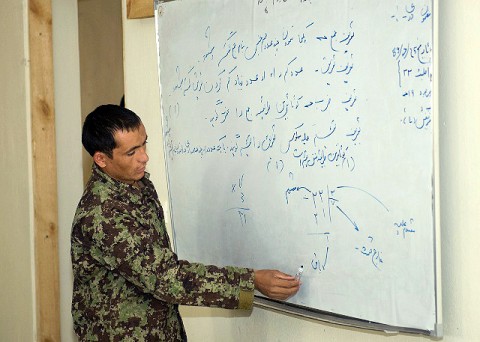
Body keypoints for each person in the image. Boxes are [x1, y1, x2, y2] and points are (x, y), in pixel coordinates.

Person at [71, 104, 300, 341]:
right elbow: (165, 277)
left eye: (144, 144)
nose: (144, 157)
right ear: (101, 159)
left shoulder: (136, 185)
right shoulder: (102, 214)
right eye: (131, 152)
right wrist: (250, 281)